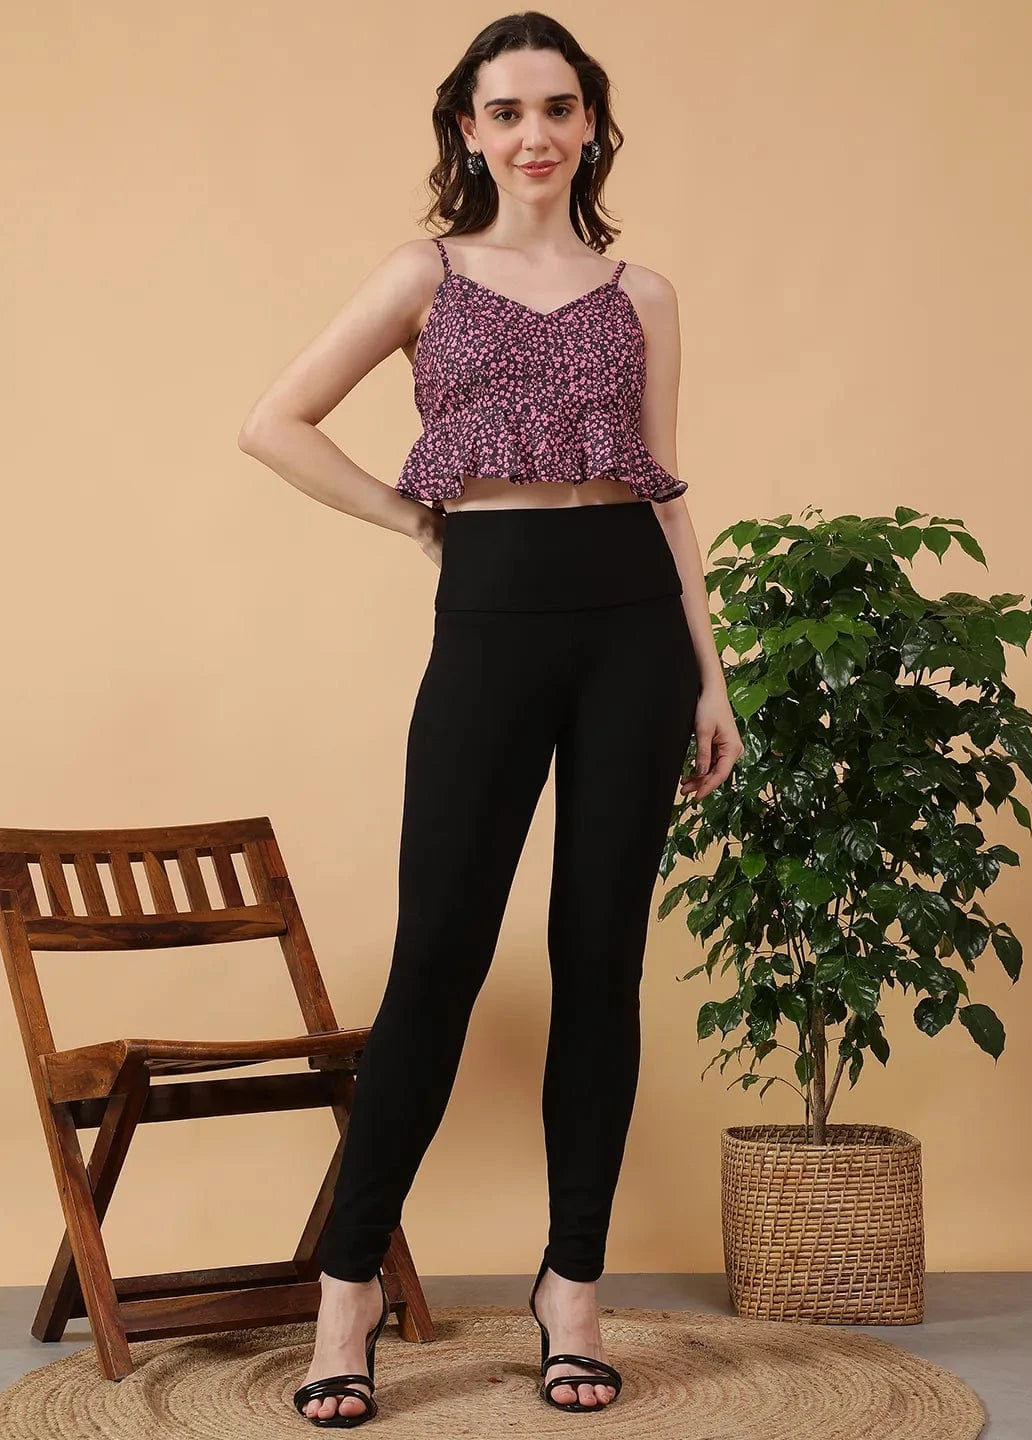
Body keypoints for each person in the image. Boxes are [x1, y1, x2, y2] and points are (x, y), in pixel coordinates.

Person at [238, 12, 742, 1427]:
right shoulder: (428, 273)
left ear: (592, 125)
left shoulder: (643, 293)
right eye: (507, 111)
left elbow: (666, 489)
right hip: (493, 611)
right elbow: (275, 422)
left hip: (634, 623)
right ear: (468, 129)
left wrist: (710, 676)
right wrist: (416, 519)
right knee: (440, 958)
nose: (534, 134)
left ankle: (570, 1291)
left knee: (601, 960)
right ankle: (348, 1294)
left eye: (558, 108)